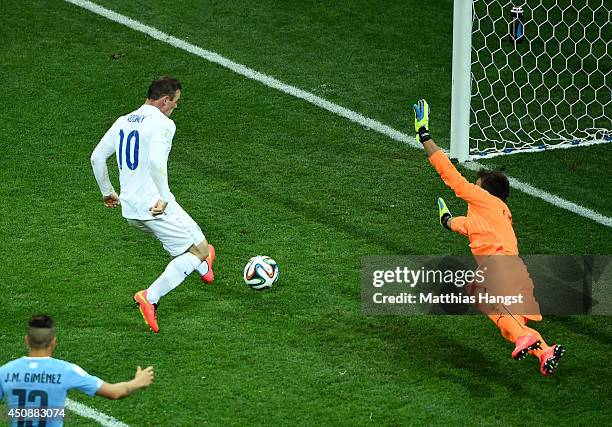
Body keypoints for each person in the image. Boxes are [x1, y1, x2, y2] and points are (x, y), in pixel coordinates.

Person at [412, 99, 565, 376]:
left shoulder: (484, 200)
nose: (474, 187)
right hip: (514, 271)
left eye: (477, 185)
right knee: (510, 323)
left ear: (485, 191)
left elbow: (450, 176)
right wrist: (446, 220)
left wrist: (424, 136)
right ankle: (545, 352)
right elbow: (465, 226)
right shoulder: (495, 214)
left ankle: (526, 340)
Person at [90, 76, 216, 333]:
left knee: (196, 246)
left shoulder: (123, 121)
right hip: (155, 206)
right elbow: (156, 162)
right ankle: (150, 297)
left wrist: (107, 192)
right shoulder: (164, 124)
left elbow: (97, 157)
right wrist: (165, 197)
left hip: (130, 209)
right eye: (176, 102)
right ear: (165, 100)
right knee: (198, 250)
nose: (176, 107)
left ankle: (203, 267)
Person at [0, 315, 153, 427]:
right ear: (53, 342)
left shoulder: (5, 371)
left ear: (27, 340)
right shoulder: (66, 370)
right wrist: (137, 382)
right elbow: (114, 392)